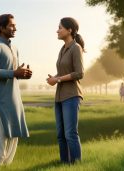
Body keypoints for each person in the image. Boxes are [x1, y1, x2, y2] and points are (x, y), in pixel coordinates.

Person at [0, 14, 32, 167]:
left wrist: (23, 74)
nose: (15, 28)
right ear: (1, 27)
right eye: (11, 25)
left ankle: (6, 165)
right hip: (0, 99)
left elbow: (14, 73)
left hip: (14, 97)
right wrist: (14, 73)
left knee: (13, 133)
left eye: (14, 25)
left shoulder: (14, 48)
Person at [46, 17, 84, 164]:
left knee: (70, 134)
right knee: (61, 134)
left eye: (60, 27)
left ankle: (76, 164)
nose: (57, 30)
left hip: (72, 96)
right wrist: (54, 78)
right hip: (60, 97)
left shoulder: (76, 48)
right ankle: (64, 164)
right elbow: (63, 72)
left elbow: (79, 73)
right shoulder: (62, 49)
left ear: (69, 30)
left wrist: (58, 79)